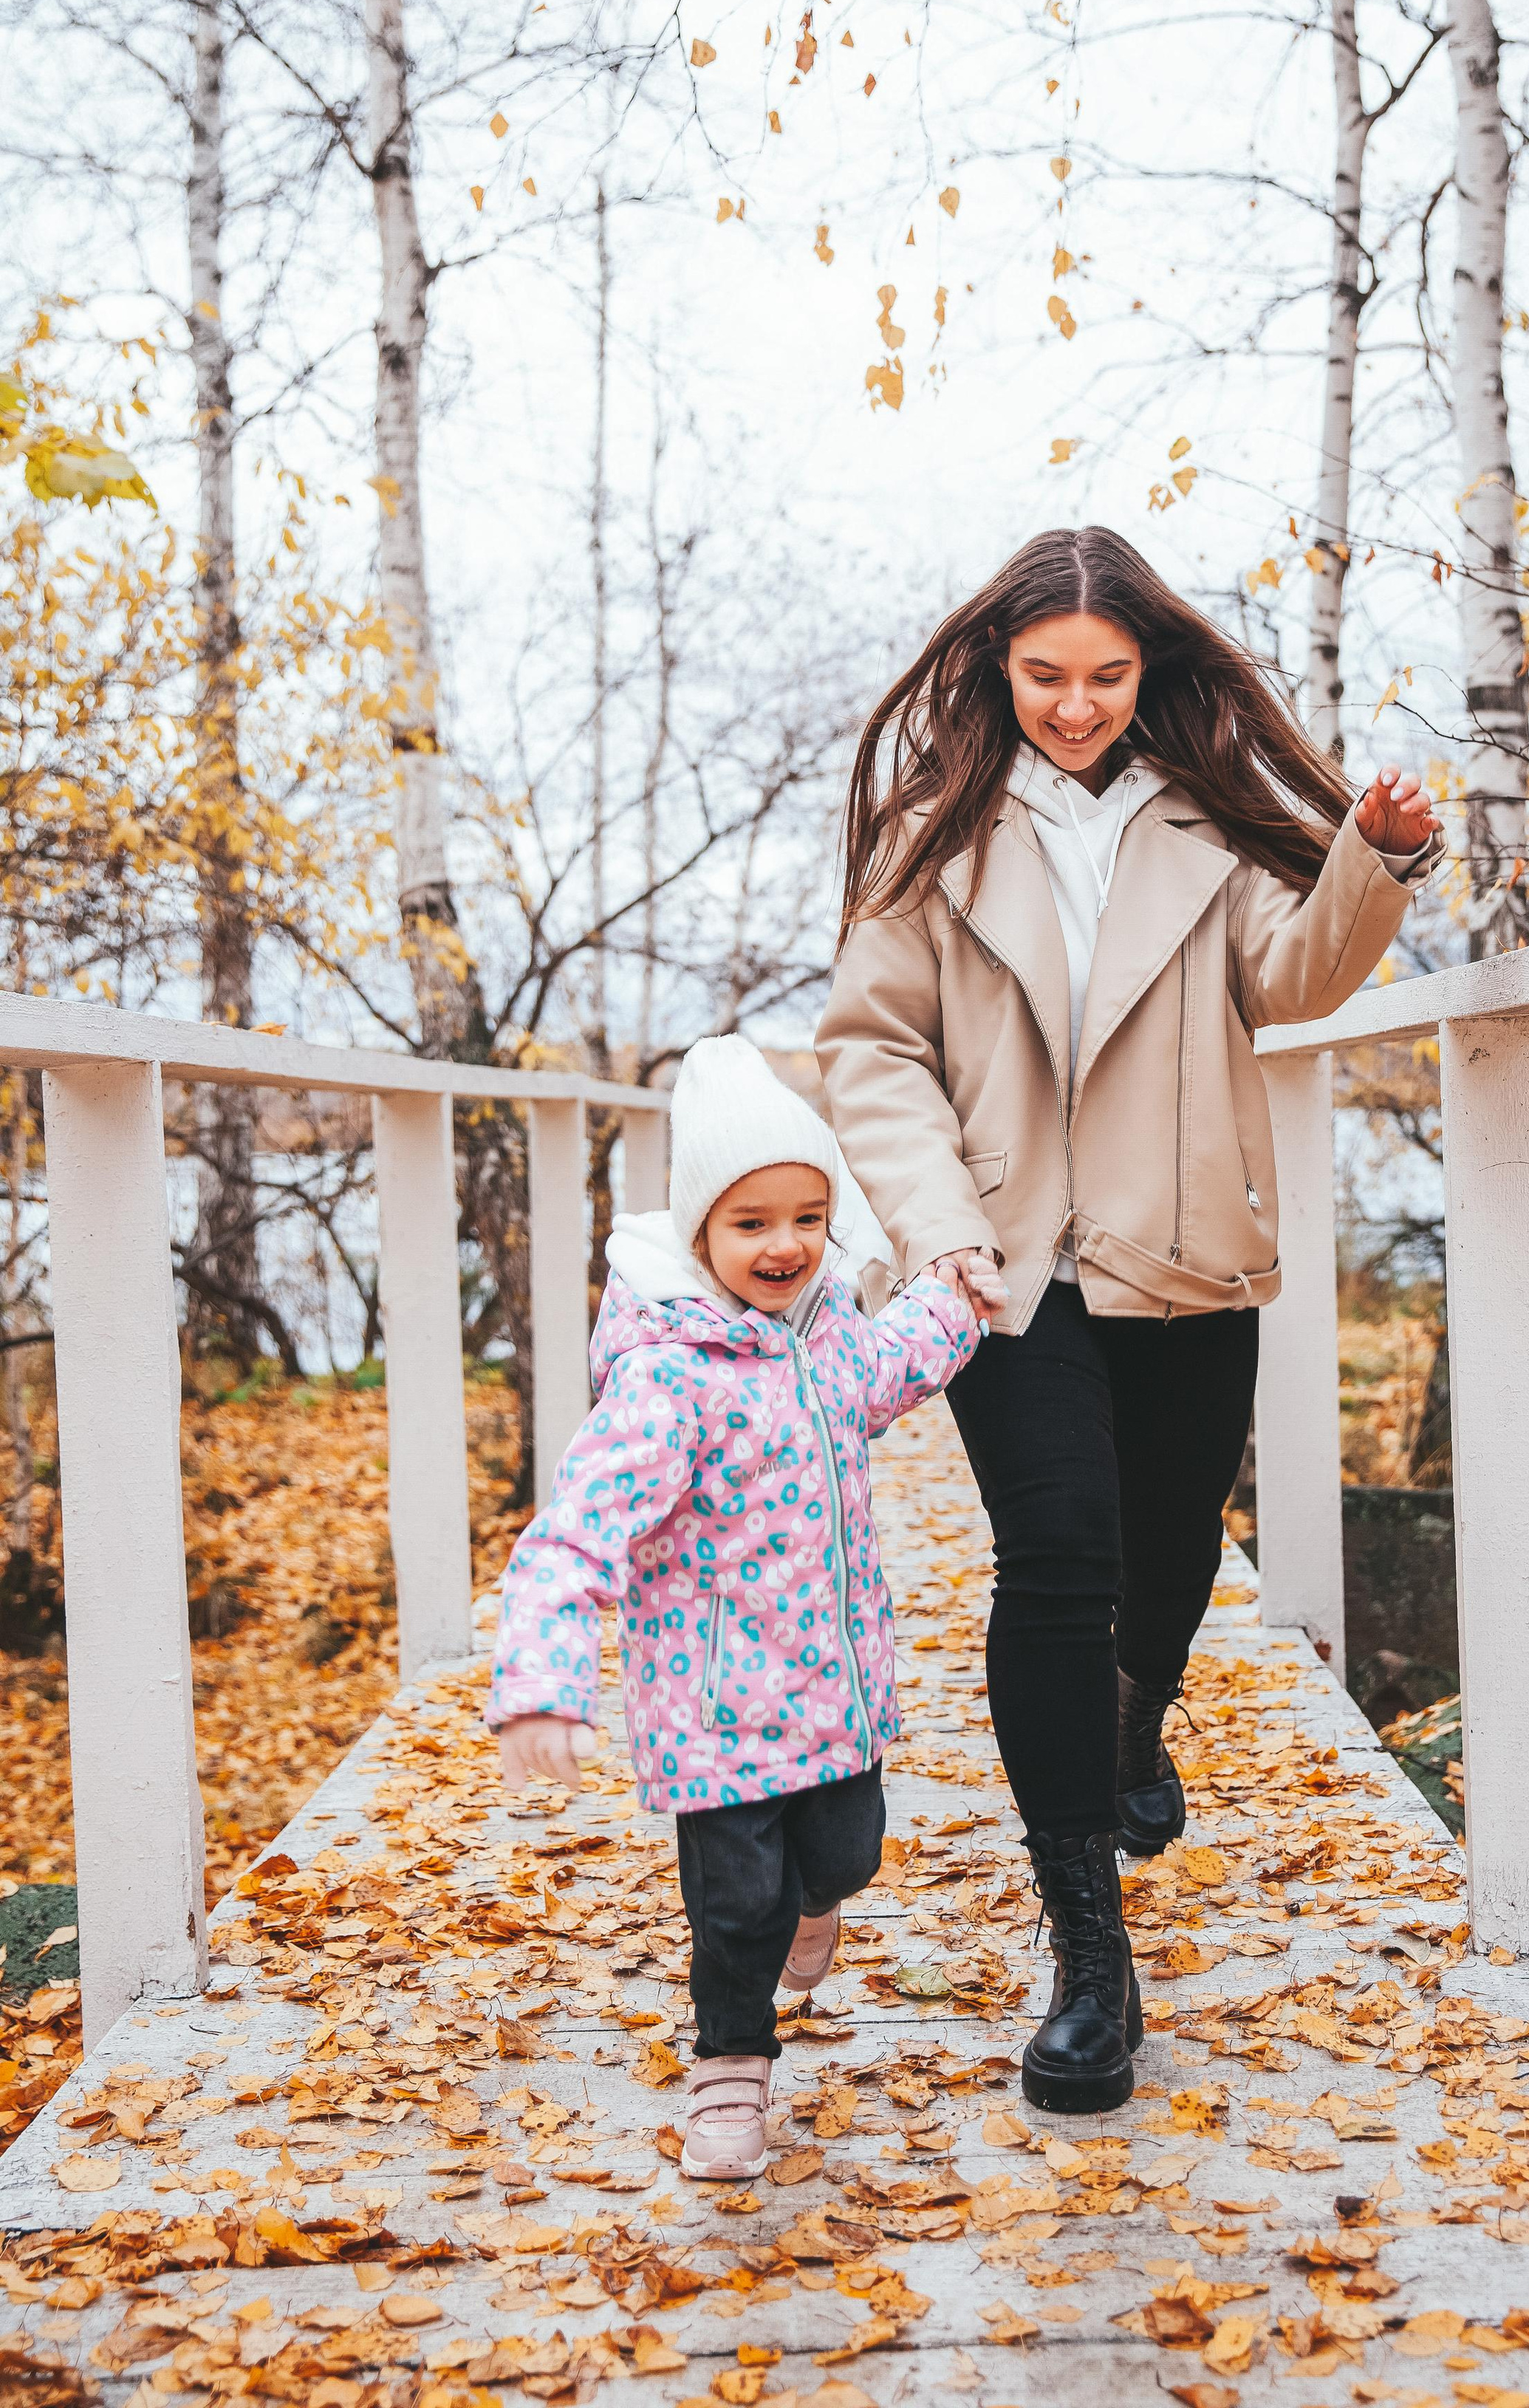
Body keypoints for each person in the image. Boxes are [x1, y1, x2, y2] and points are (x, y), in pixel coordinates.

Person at [817, 526, 1439, 2115]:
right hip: (1006, 1270)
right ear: (994, 668)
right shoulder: (927, 837)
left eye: (1105, 676)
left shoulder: (1203, 829)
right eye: (1045, 677)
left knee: (1165, 1556)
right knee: (1060, 1556)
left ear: (1146, 671)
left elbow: (1293, 981)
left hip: (1180, 1255)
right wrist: (941, 1232)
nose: (1075, 706)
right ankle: (1089, 1954)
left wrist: (1370, 854)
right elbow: (872, 1054)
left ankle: (1134, 1726)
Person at [485, 1034, 979, 2180]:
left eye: (808, 1217)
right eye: (752, 1223)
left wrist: (958, 1291)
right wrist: (544, 1680)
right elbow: (577, 1530)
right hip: (713, 1717)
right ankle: (731, 2071)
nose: (787, 1245)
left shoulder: (832, 1339)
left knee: (848, 1856)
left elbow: (902, 1357)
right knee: (738, 1910)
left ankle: (821, 1901)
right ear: (699, 1233)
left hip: (838, 1694)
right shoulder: (667, 1379)